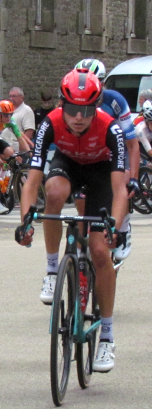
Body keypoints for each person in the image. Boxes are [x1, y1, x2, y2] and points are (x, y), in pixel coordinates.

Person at [16, 68, 127, 373]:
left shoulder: (110, 129)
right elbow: (31, 182)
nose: (79, 117)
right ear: (62, 105)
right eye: (73, 109)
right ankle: (53, 269)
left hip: (101, 173)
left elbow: (120, 190)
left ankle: (107, 336)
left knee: (100, 251)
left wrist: (114, 226)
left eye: (87, 110)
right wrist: (25, 222)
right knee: (53, 192)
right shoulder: (49, 124)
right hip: (67, 164)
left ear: (96, 107)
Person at [75, 59, 140, 261]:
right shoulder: (74, 102)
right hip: (89, 153)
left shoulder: (115, 101)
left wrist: (134, 178)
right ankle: (80, 249)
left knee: (124, 183)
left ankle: (123, 228)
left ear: (101, 84)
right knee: (80, 202)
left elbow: (132, 145)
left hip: (115, 151)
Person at [0, 87, 35, 151]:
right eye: (10, 96)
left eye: (14, 96)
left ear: (21, 97)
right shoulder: (6, 110)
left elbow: (29, 131)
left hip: (15, 148)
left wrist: (21, 149)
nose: (11, 98)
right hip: (2, 146)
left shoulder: (27, 111)